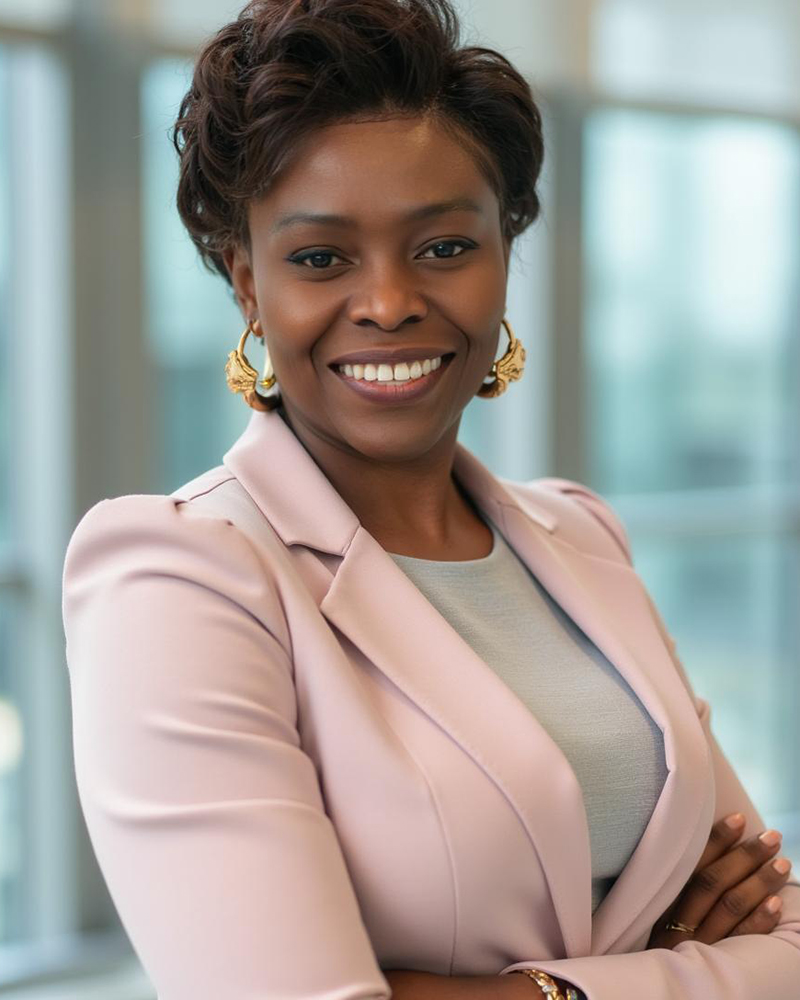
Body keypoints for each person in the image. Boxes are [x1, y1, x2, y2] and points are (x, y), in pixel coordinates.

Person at [61, 1, 800, 998]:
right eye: (320, 258)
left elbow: (784, 937)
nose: (388, 301)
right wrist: (623, 970)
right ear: (246, 284)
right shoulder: (180, 577)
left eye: (443, 246)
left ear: (504, 251)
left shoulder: (578, 533)